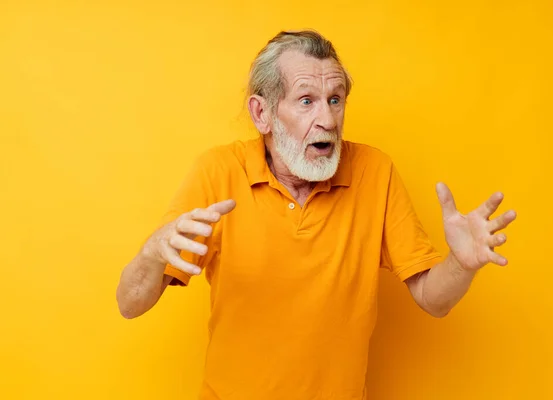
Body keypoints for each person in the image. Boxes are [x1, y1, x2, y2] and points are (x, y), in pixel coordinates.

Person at [116, 30, 517, 400]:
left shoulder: (374, 172)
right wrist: (152, 255)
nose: (327, 119)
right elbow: (130, 304)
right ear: (262, 114)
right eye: (306, 101)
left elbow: (434, 299)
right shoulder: (218, 172)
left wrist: (462, 264)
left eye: (335, 99)